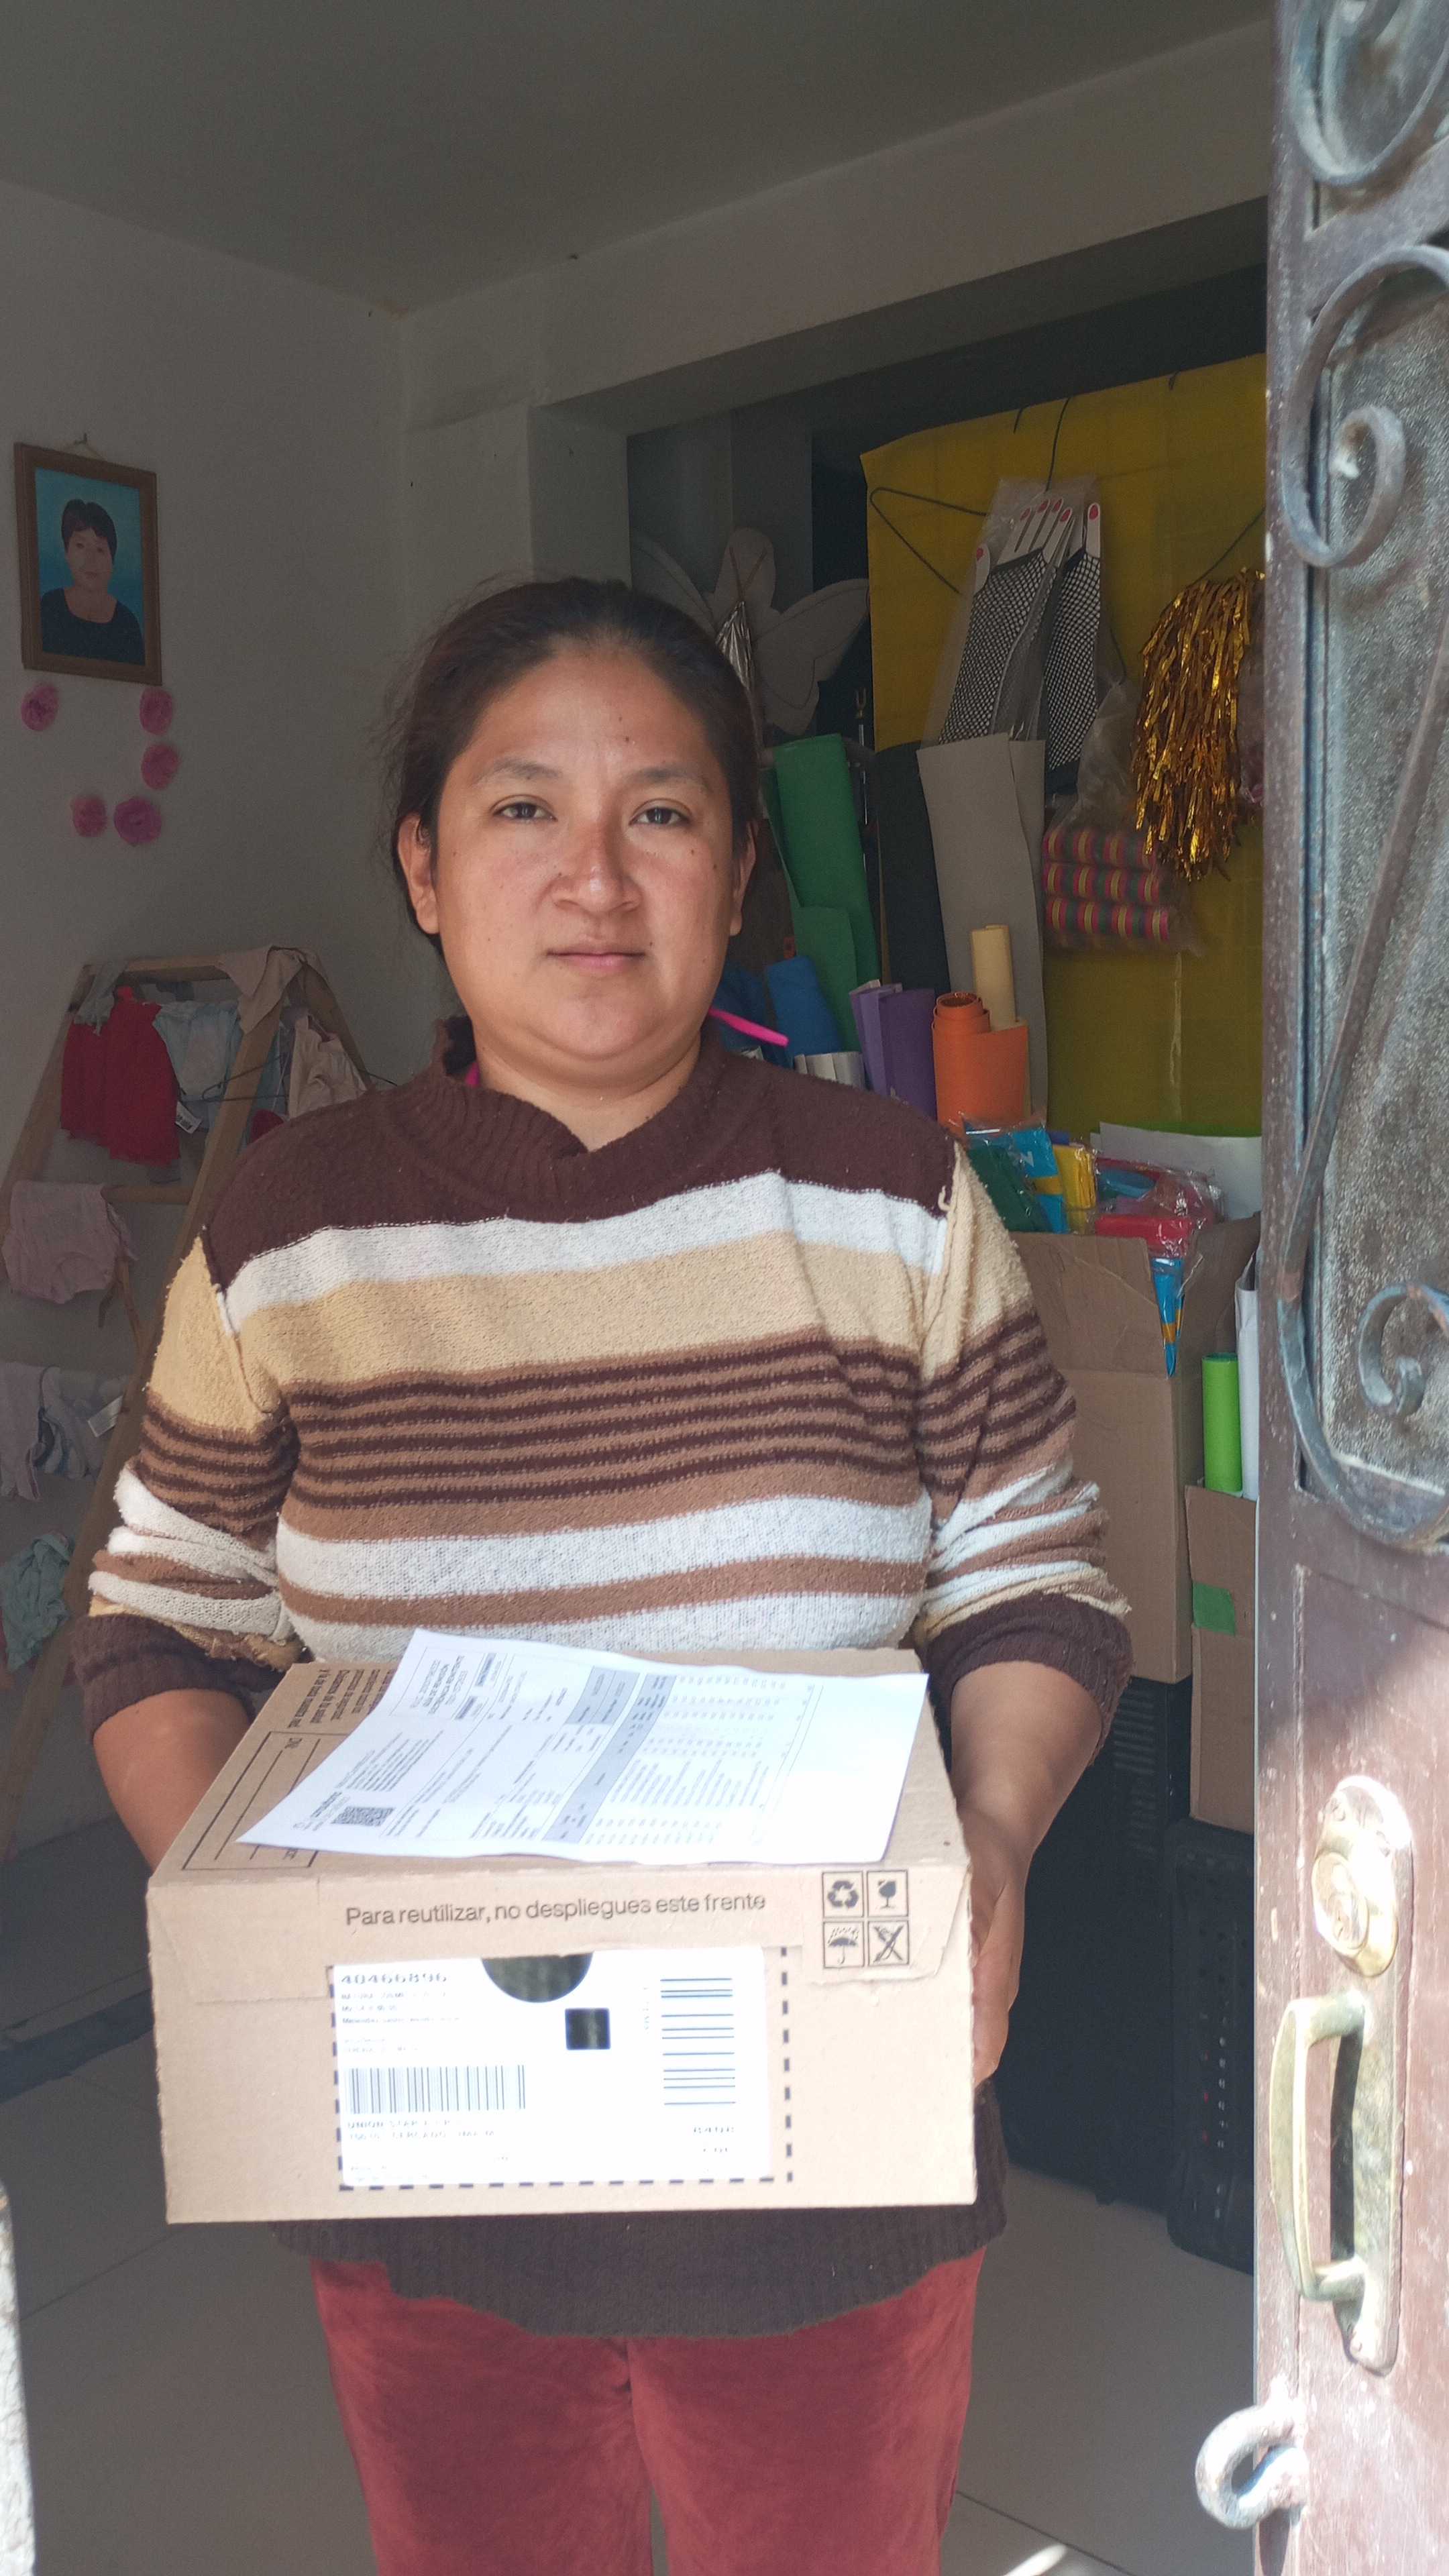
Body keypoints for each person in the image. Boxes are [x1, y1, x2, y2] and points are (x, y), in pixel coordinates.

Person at [76, 578, 1130, 2576]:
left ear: (734, 869)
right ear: (421, 864)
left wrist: (990, 1838)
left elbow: (1035, 1579)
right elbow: (159, 1619)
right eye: (521, 809)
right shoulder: (290, 1233)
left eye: (658, 811)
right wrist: (243, 1921)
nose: (593, 875)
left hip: (828, 2160)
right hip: (430, 2160)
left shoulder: (892, 1196)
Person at [39, 496, 145, 663]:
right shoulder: (49, 608)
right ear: (67, 553)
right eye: (80, 546)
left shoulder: (127, 624)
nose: (90, 559)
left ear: (112, 560)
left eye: (100, 549)